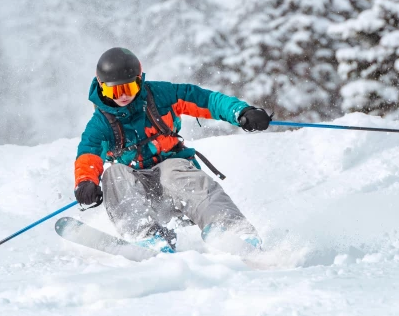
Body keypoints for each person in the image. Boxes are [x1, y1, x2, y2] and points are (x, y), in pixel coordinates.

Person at [73, 47, 272, 253]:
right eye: (114, 91)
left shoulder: (160, 96)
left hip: (177, 183)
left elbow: (205, 100)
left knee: (172, 170)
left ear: (139, 81)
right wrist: (86, 182)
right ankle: (147, 237)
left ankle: (232, 229)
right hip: (138, 191)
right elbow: (89, 152)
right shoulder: (100, 124)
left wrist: (241, 112)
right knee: (114, 174)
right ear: (102, 87)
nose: (123, 96)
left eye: (129, 88)